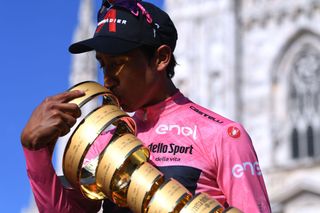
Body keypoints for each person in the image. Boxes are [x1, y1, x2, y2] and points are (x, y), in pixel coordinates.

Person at [21, 0, 271, 212]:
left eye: (118, 63)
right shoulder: (106, 140)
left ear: (161, 58)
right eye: (103, 65)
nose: (107, 79)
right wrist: (36, 151)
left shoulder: (223, 136)